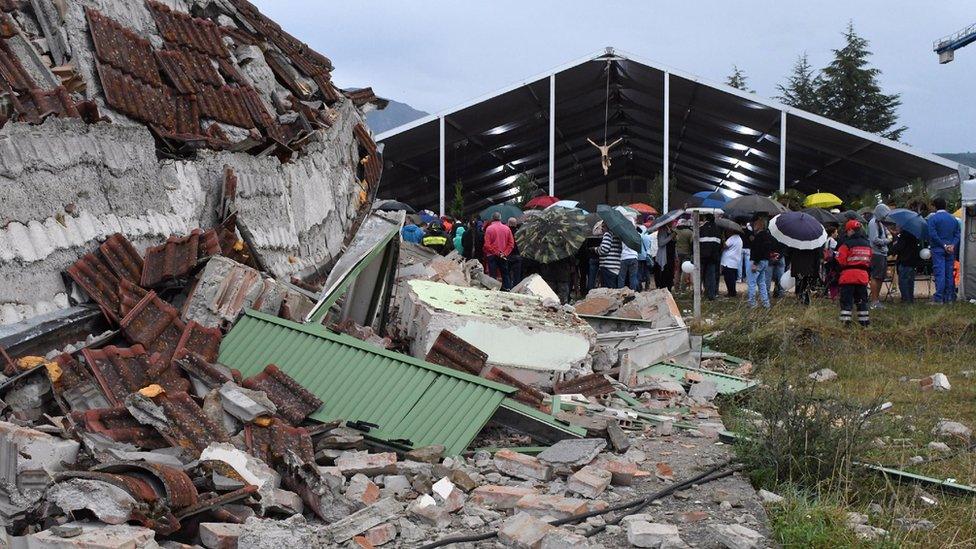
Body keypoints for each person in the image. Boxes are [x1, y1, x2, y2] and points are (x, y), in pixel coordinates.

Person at [836, 220, 872, 326]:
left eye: (847, 231)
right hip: (862, 277)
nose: (847, 233)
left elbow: (841, 261)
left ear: (851, 230)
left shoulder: (846, 244)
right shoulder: (867, 244)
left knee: (847, 301)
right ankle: (864, 323)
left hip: (848, 276)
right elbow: (870, 261)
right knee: (862, 301)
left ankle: (845, 322)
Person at [926, 197, 961, 304]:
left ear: (935, 206)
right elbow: (957, 234)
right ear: (945, 205)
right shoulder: (953, 219)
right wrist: (952, 245)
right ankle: (949, 297)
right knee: (949, 273)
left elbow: (932, 234)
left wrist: (943, 245)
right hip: (951, 249)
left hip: (938, 249)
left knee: (940, 273)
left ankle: (939, 298)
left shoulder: (933, 218)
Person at [866, 203, 891, 309]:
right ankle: (874, 301)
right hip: (876, 253)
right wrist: (887, 241)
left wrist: (888, 237)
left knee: (880, 277)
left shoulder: (880, 222)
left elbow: (887, 233)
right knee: (876, 277)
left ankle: (877, 300)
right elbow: (875, 239)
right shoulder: (873, 223)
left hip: (882, 253)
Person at [484, 212, 515, 289]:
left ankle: (494, 289)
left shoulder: (489, 229)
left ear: (492, 219)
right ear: (500, 218)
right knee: (505, 273)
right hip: (503, 255)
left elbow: (487, 245)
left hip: (492, 255)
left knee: (493, 275)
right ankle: (507, 288)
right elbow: (511, 244)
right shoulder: (507, 228)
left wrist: (496, 252)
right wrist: (504, 253)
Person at [890, 225, 920, 303]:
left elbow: (898, 248)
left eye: (897, 226)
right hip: (912, 262)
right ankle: (910, 298)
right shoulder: (913, 235)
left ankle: (905, 299)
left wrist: (893, 246)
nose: (896, 228)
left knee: (903, 281)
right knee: (910, 281)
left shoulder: (904, 236)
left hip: (904, 261)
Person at [747, 216, 773, 309]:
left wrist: (755, 263)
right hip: (765, 261)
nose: (753, 225)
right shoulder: (768, 236)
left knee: (752, 283)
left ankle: (752, 303)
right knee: (762, 283)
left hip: (757, 261)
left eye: (755, 224)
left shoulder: (759, 236)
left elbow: (758, 250)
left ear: (760, 225)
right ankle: (766, 303)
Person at [698, 215, 722, 300]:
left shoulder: (700, 229)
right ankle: (711, 295)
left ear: (705, 219)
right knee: (711, 277)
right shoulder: (717, 229)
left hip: (701, 257)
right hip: (713, 257)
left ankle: (698, 294)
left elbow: (695, 242)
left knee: (699, 276)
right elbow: (720, 244)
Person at [720, 229, 743, 297]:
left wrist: (723, 240)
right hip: (735, 261)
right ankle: (732, 292)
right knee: (732, 278)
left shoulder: (732, 238)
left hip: (728, 262)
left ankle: (731, 292)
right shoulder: (739, 239)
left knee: (728, 278)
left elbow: (725, 246)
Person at [654, 223, 676, 291]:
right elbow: (660, 243)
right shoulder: (662, 231)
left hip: (671, 256)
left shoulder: (670, 230)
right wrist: (670, 237)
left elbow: (674, 245)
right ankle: (663, 289)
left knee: (670, 274)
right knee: (664, 274)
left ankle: (668, 289)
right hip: (665, 257)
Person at [674, 220, 693, 291]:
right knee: (684, 270)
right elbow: (692, 243)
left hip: (676, 253)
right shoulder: (690, 232)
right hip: (686, 253)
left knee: (677, 270)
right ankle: (683, 287)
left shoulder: (675, 231)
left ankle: (676, 287)